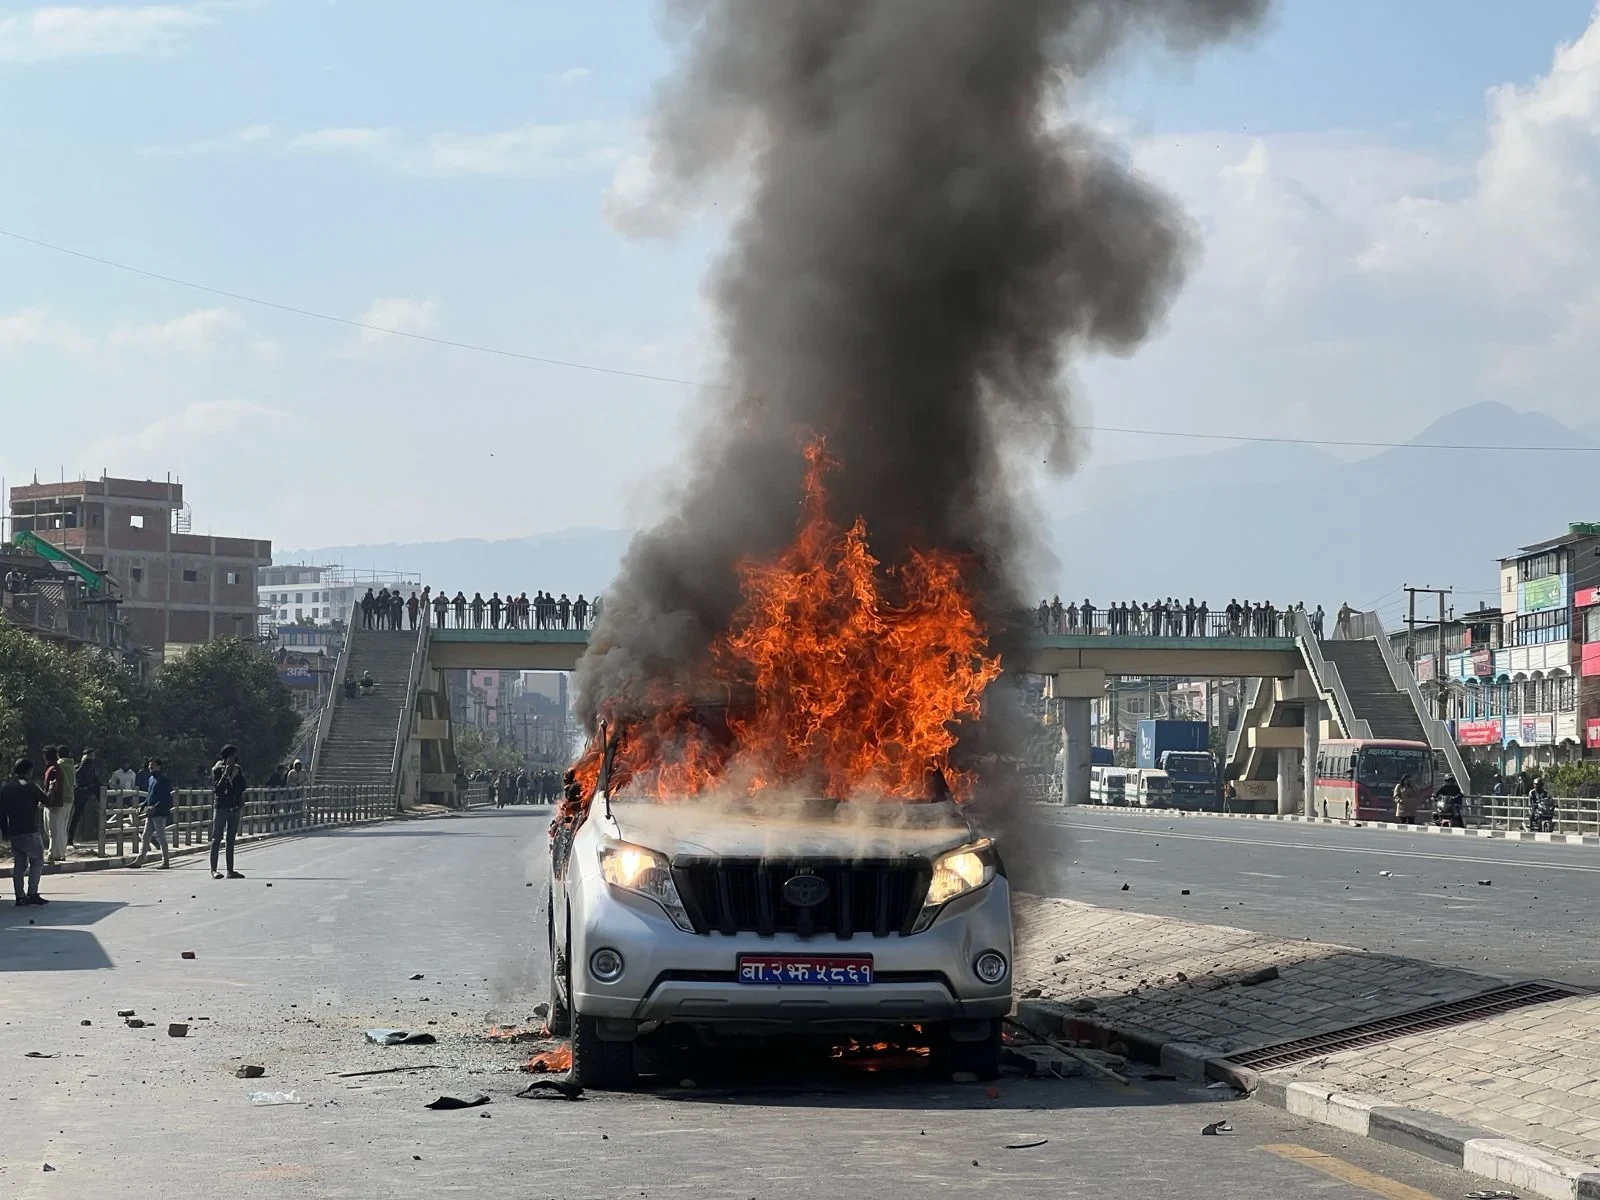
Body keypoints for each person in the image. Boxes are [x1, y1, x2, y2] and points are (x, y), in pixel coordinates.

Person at [1, 758, 49, 904]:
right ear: (29, 771)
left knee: (19, 864)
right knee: (37, 861)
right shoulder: (31, 787)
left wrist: (5, 831)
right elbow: (47, 801)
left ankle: (20, 896)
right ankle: (32, 893)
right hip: (30, 831)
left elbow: (1, 813)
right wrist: (52, 788)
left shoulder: (6, 789)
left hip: (14, 832)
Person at [210, 744, 247, 879]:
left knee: (230, 840)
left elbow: (242, 787)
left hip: (234, 807)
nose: (233, 759)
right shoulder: (217, 769)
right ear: (226, 757)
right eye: (231, 756)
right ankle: (214, 870)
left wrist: (234, 776)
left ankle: (230, 871)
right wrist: (225, 775)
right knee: (216, 839)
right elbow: (218, 789)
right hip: (221, 807)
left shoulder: (238, 770)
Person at [130, 757, 172, 870]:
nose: (150, 767)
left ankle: (166, 862)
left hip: (160, 812)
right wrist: (142, 806)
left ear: (159, 766)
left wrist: (156, 807)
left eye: (152, 765)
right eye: (149, 765)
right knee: (145, 835)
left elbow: (165, 797)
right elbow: (149, 796)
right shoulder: (151, 779)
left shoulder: (164, 780)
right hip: (150, 812)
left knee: (160, 837)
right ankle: (139, 860)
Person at [69, 747, 100, 847]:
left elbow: (97, 782)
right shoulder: (78, 768)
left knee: (75, 818)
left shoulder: (91, 769)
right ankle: (68, 839)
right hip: (77, 795)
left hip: (85, 795)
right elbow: (77, 783)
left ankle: (70, 839)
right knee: (71, 818)